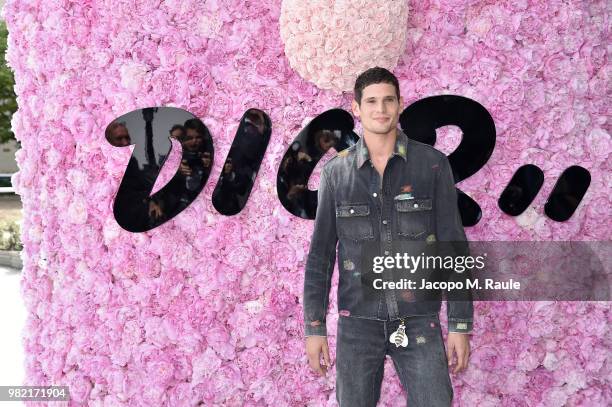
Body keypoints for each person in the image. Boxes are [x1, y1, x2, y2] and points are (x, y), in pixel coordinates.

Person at [303, 67, 473, 407]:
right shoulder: (336, 174)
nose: (380, 109)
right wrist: (315, 328)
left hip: (419, 319)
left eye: (388, 100)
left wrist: (459, 323)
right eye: (372, 101)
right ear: (357, 108)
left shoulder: (433, 165)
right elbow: (321, 255)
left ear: (399, 104)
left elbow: (453, 246)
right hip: (357, 326)